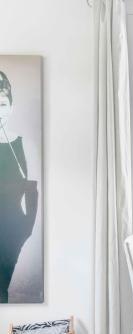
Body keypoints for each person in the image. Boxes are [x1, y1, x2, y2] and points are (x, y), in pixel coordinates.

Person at [0, 70, 38, 303]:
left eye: (2, 104)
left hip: (12, 231)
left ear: (11, 106)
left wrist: (27, 229)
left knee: (1, 291)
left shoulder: (24, 145)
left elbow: (32, 189)